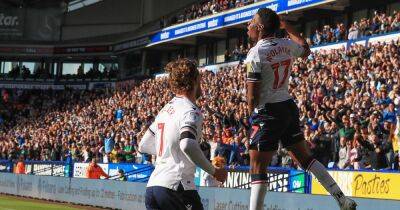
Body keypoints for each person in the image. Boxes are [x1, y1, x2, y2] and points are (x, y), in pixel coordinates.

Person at [245, 8, 356, 210]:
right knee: (305, 158)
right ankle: (342, 199)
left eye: (251, 21)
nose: (248, 26)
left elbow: (251, 95)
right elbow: (305, 48)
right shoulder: (286, 45)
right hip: (287, 107)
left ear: (260, 27)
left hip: (267, 111)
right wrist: (286, 26)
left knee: (257, 166)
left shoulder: (255, 53)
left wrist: (250, 115)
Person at [138, 58, 227, 210]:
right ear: (194, 80)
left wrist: (170, 152)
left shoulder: (165, 110)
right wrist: (214, 172)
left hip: (153, 187)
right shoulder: (190, 111)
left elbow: (143, 145)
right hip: (177, 186)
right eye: (199, 78)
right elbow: (187, 144)